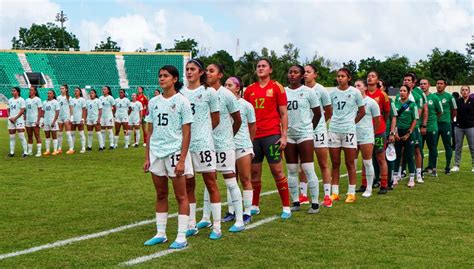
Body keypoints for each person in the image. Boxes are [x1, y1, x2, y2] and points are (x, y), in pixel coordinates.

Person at [143, 65, 193, 250]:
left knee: (181, 195)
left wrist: (182, 159)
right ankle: (161, 233)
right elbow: (150, 130)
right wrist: (147, 156)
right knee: (161, 193)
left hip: (174, 152)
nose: (162, 79)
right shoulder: (153, 101)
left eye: (166, 76)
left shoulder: (182, 102)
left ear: (174, 79)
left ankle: (181, 236)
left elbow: (187, 133)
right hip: (157, 152)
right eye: (160, 76)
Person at [197, 63, 244, 232]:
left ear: (220, 75)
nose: (208, 73)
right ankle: (205, 217)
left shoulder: (227, 95)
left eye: (212, 71)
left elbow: (238, 119)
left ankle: (239, 219)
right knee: (209, 180)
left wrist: (228, 136)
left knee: (230, 180)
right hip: (206, 144)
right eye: (207, 71)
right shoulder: (202, 93)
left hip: (224, 144)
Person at [243, 58, 291, 219]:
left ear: (270, 69)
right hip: (254, 137)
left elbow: (284, 113)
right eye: (258, 66)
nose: (260, 68)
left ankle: (286, 206)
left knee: (277, 171)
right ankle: (255, 205)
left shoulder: (277, 87)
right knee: (254, 173)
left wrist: (284, 135)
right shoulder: (249, 90)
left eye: (264, 66)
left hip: (272, 135)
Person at [181, 59, 223, 239]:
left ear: (200, 73)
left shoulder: (209, 93)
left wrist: (203, 133)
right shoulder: (180, 93)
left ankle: (217, 227)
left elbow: (216, 118)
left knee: (211, 183)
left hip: (204, 144)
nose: (189, 72)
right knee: (188, 185)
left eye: (193, 69)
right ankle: (191, 224)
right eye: (187, 69)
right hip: (186, 147)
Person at [284, 65, 322, 213]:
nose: (292, 75)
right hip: (289, 135)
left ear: (301, 76)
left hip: (305, 134)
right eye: (290, 72)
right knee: (292, 170)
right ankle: (295, 202)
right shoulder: (283, 92)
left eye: (296, 72)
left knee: (307, 169)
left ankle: (314, 204)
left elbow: (318, 113)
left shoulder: (309, 92)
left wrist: (309, 129)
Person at [328, 68, 365, 203]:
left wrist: (351, 123)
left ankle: (351, 193)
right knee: (335, 163)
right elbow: (328, 110)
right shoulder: (332, 93)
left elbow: (362, 112)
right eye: (338, 76)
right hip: (334, 130)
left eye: (343, 76)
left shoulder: (355, 92)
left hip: (349, 131)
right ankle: (335, 193)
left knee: (350, 163)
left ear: (348, 78)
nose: (340, 78)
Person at [226, 76, 256, 222]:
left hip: (243, 145)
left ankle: (247, 212)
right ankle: (231, 211)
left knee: (245, 178)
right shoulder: (222, 104)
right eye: (225, 85)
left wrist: (248, 144)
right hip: (227, 146)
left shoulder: (246, 105)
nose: (226, 87)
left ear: (237, 88)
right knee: (231, 179)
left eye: (229, 85)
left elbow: (252, 126)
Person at [304, 64, 333, 207]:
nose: (305, 74)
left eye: (308, 72)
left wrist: (320, 124)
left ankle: (327, 195)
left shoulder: (321, 90)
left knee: (323, 163)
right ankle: (303, 195)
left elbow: (328, 111)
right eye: (304, 72)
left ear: (315, 74)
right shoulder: (298, 89)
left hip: (318, 131)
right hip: (303, 132)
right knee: (302, 164)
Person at [365, 71, 390, 193]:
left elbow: (386, 112)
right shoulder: (362, 94)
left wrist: (381, 125)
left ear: (377, 80)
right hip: (365, 132)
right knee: (366, 158)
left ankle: (384, 184)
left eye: (373, 76)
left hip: (378, 131)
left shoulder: (382, 94)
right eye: (368, 76)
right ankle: (364, 184)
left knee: (380, 158)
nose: (370, 78)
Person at [354, 79, 380, 197]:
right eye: (354, 86)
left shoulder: (371, 102)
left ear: (365, 88)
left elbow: (377, 120)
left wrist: (371, 134)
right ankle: (352, 187)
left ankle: (369, 188)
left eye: (358, 85)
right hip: (353, 136)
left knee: (367, 162)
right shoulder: (352, 102)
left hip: (366, 136)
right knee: (351, 163)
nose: (356, 87)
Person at [403, 73, 428, 183]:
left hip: (415, 127)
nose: (406, 82)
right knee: (403, 150)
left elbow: (422, 111)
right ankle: (401, 172)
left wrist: (423, 125)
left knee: (417, 150)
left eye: (408, 80)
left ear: (413, 82)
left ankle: (419, 173)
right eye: (405, 80)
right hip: (402, 127)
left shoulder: (419, 95)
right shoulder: (401, 94)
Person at [392, 85, 418, 187]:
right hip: (398, 132)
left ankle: (412, 178)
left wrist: (409, 133)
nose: (402, 92)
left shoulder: (412, 105)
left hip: (409, 133)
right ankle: (395, 177)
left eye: (404, 91)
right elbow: (394, 118)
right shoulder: (395, 103)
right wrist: (395, 132)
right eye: (401, 90)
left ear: (408, 93)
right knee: (397, 155)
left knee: (409, 155)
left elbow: (415, 119)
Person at [420, 79, 443, 177]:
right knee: (418, 149)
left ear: (429, 85)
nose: (423, 86)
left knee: (432, 148)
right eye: (421, 84)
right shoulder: (417, 97)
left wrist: (432, 120)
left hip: (431, 127)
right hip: (419, 128)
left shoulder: (434, 98)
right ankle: (419, 169)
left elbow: (440, 112)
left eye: (425, 84)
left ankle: (433, 168)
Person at [435, 79, 457, 175]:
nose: (439, 85)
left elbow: (454, 109)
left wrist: (450, 119)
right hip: (435, 124)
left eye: (441, 84)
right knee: (433, 146)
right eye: (438, 84)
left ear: (445, 85)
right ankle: (433, 167)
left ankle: (448, 166)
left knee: (447, 145)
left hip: (446, 124)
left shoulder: (449, 97)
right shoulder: (433, 96)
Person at [452, 85, 474, 172]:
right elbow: (453, 112)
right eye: (463, 90)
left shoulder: (473, 101)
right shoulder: (457, 101)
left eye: (466, 90)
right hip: (459, 127)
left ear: (469, 92)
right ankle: (456, 165)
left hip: (470, 127)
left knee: (472, 147)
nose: (464, 91)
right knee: (458, 147)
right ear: (461, 92)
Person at [7, 87, 28, 157]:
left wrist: (15, 118)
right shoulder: (10, 100)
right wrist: (10, 117)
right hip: (11, 120)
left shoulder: (21, 100)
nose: (12, 92)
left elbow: (22, 110)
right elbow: (8, 110)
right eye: (12, 91)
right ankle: (12, 152)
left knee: (21, 136)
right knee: (12, 137)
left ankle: (25, 152)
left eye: (14, 91)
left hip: (19, 120)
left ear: (18, 92)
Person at [25, 86, 43, 157]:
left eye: (32, 90)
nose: (30, 91)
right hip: (28, 120)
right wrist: (25, 119)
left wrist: (38, 120)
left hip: (35, 120)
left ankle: (39, 152)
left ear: (35, 91)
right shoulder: (26, 100)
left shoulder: (38, 99)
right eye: (30, 90)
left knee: (37, 135)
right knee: (29, 136)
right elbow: (26, 111)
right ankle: (30, 151)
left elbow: (40, 111)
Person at [56, 84, 74, 154]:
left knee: (68, 133)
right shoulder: (58, 97)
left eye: (63, 88)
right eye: (61, 88)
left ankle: (71, 149)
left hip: (66, 116)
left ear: (66, 89)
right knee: (59, 134)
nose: (61, 90)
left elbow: (71, 108)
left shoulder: (69, 97)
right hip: (60, 116)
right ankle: (59, 148)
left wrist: (71, 117)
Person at [42, 90, 60, 156]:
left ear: (53, 95)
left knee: (54, 136)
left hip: (53, 121)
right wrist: (42, 121)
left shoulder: (55, 102)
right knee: (47, 136)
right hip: (46, 121)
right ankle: (47, 150)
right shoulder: (44, 102)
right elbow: (43, 112)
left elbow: (57, 112)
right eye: (48, 93)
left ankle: (55, 150)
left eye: (50, 93)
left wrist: (54, 121)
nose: (48, 94)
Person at [70, 87, 87, 154]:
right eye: (74, 91)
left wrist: (83, 119)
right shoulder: (72, 100)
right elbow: (71, 109)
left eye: (77, 91)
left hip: (80, 119)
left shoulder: (82, 100)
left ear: (80, 92)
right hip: (73, 119)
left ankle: (83, 148)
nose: (75, 92)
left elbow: (84, 110)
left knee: (81, 133)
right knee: (72, 134)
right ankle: (72, 148)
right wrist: (71, 117)